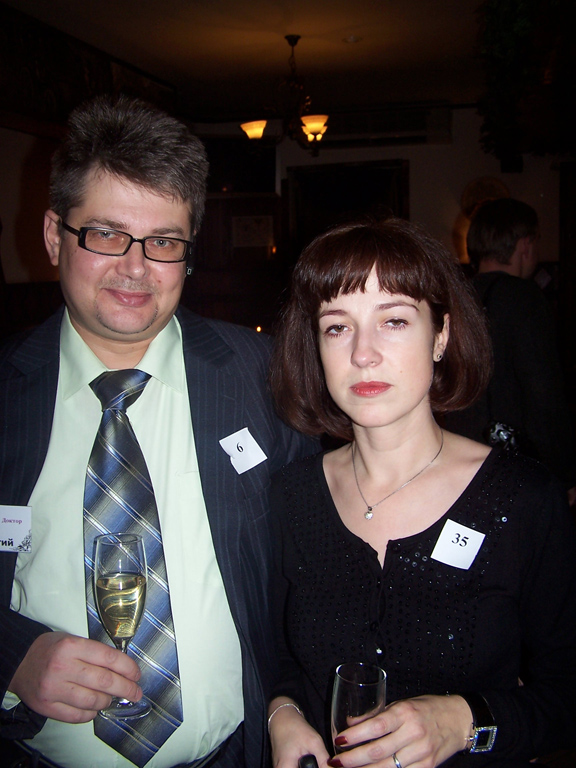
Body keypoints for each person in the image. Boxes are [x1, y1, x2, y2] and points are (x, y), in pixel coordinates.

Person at [0, 95, 316, 768]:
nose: (136, 268)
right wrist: (11, 655)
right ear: (55, 235)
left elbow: (312, 565)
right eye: (106, 234)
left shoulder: (261, 376)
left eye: (164, 242)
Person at [266, 217, 576, 768]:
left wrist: (464, 721)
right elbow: (277, 653)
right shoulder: (291, 497)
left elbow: (564, 696)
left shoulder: (524, 499)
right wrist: (283, 713)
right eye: (337, 327)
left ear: (441, 335)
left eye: (393, 321)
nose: (363, 353)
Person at [444, 198, 576, 495]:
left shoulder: (456, 298)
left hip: (459, 456)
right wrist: (565, 472)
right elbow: (544, 393)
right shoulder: (524, 297)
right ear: (525, 244)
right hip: (514, 466)